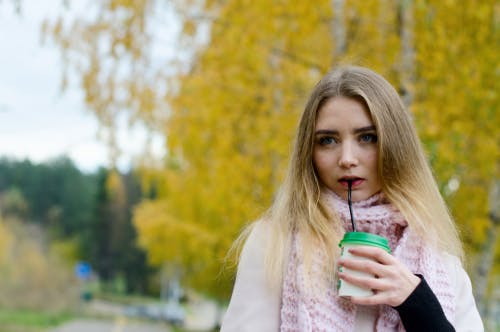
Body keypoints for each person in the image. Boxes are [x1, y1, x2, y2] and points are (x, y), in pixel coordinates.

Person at [220, 66, 484, 331]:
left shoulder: (440, 262)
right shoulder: (274, 244)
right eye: (327, 141)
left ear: (395, 146)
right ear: (308, 152)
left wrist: (417, 304)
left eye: (367, 137)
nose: (347, 158)